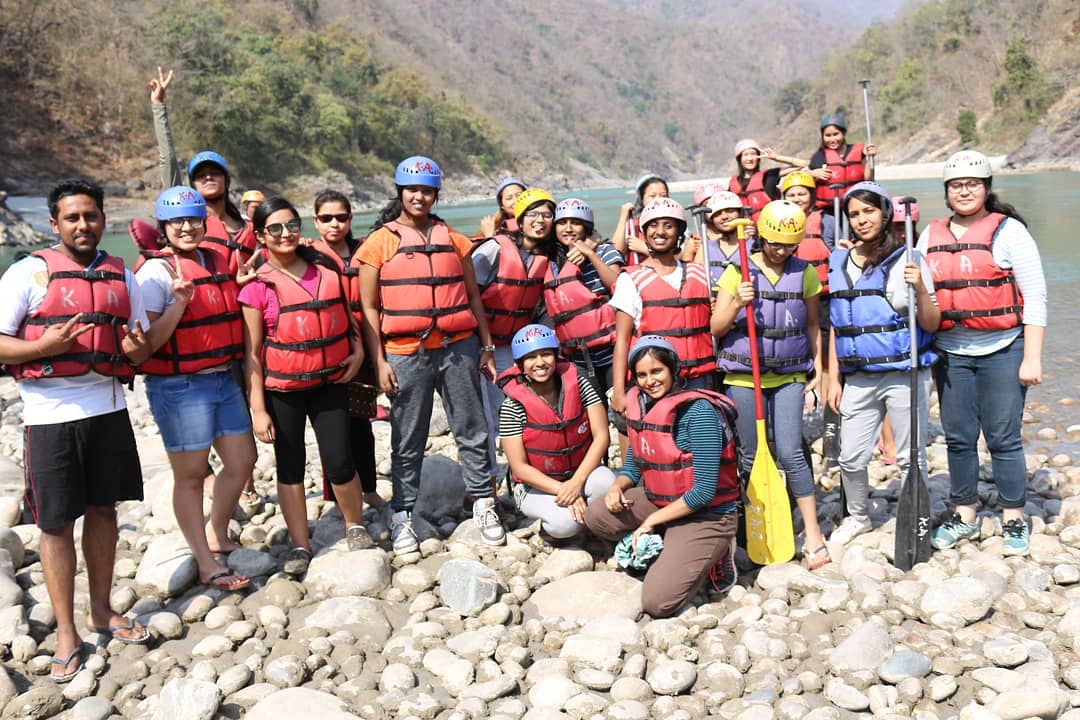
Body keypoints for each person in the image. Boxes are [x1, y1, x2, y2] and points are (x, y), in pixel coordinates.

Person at [0, 179, 153, 682]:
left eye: (90, 216)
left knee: (104, 511)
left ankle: (103, 609)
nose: (83, 225)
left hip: (107, 409)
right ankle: (67, 630)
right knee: (55, 525)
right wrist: (44, 348)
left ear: (103, 219)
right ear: (54, 224)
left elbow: (138, 347)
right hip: (49, 418)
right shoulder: (28, 273)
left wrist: (133, 347)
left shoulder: (120, 276)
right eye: (72, 218)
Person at [355, 156, 504, 553]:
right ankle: (403, 513)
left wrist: (486, 346)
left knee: (472, 428)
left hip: (458, 348)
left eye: (426, 190)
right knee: (407, 436)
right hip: (406, 353)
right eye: (412, 190)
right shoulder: (379, 242)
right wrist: (380, 360)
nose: (419, 197)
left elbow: (472, 296)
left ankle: (484, 502)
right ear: (400, 192)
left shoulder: (453, 240)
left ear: (436, 194)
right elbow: (369, 307)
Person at [918, 151, 1046, 556]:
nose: (965, 191)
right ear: (947, 192)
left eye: (973, 184)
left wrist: (1033, 357)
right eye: (957, 185)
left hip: (1004, 349)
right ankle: (965, 513)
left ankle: (1013, 518)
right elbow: (921, 295)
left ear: (987, 188)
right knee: (958, 437)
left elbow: (1036, 297)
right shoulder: (929, 235)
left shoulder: (1010, 232)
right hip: (951, 352)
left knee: (1003, 438)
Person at [239, 197, 371, 576]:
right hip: (284, 392)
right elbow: (252, 353)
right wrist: (258, 408)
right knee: (290, 466)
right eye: (275, 229)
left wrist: (359, 351)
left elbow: (347, 319)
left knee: (340, 459)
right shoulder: (256, 286)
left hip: (329, 382)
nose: (285, 234)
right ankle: (301, 544)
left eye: (291, 225)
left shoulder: (326, 270)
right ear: (262, 236)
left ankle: (354, 525)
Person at [136, 187, 256, 592]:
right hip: (179, 386)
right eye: (176, 222)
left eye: (193, 220)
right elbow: (147, 343)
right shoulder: (155, 273)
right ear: (164, 227)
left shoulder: (217, 260)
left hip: (223, 376)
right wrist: (179, 304)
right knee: (189, 476)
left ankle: (218, 532)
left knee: (242, 461)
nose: (186, 228)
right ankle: (205, 561)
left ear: (205, 223)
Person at [585, 336, 740, 617]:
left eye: (657, 371)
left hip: (708, 513)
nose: (649, 381)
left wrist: (651, 521)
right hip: (661, 500)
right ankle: (674, 540)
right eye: (642, 374)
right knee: (596, 515)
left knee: (657, 602)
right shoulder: (642, 406)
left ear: (672, 370)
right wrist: (617, 487)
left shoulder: (699, 412)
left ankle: (719, 549)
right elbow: (633, 466)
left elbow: (704, 491)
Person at [711, 200, 829, 568]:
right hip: (744, 377)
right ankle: (752, 526)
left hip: (789, 375)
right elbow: (716, 327)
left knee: (792, 452)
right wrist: (736, 304)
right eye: (774, 243)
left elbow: (813, 325)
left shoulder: (805, 274)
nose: (780, 251)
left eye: (788, 245)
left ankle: (812, 533)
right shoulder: (737, 271)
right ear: (761, 236)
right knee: (749, 454)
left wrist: (820, 370)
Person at [824, 182, 940, 545]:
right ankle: (858, 517)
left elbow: (932, 323)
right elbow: (836, 323)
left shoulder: (911, 258)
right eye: (854, 214)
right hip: (858, 376)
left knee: (909, 456)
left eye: (869, 211)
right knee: (850, 458)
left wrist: (919, 286)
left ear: (886, 213)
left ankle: (916, 514)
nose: (861, 220)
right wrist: (832, 376)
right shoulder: (838, 259)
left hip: (905, 373)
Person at [306, 190, 385, 515]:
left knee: (361, 425)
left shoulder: (364, 252)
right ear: (315, 222)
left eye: (341, 217)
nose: (334, 224)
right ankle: (336, 495)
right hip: (326, 351)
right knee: (332, 426)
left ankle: (368, 489)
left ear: (351, 219)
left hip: (364, 351)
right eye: (326, 218)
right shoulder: (306, 256)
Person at [499, 325, 615, 543]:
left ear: (555, 355)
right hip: (536, 487)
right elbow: (519, 468)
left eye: (545, 354)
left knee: (607, 483)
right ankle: (552, 532)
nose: (540, 363)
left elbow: (602, 437)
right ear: (520, 364)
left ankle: (589, 518)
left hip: (580, 473)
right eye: (530, 357)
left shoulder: (579, 384)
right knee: (565, 525)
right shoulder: (512, 406)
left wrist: (575, 483)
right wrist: (564, 490)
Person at [473, 187, 554, 474]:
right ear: (518, 221)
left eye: (547, 215)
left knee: (511, 407)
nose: (541, 220)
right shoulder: (494, 248)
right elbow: (469, 293)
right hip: (479, 344)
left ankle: (522, 470)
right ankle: (488, 480)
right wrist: (484, 346)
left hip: (512, 345)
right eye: (533, 214)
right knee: (483, 413)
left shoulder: (546, 256)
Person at [610, 198, 714, 420]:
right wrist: (619, 391)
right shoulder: (631, 280)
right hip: (654, 383)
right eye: (653, 226)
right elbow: (622, 340)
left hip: (699, 378)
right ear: (645, 233)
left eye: (668, 226)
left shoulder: (699, 273)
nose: (660, 232)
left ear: (679, 232)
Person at [148, 67, 255, 274]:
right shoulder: (186, 219)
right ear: (192, 183)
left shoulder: (246, 225)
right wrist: (158, 106)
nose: (207, 177)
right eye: (200, 175)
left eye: (215, 172)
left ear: (226, 179)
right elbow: (168, 159)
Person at [543, 198, 623, 401]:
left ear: (586, 226)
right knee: (592, 412)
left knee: (621, 413)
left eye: (576, 223)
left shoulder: (605, 250)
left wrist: (590, 253)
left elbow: (617, 284)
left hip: (612, 351)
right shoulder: (553, 262)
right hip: (578, 356)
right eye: (562, 223)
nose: (568, 228)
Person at [809, 113, 877, 214]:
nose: (832, 139)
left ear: (843, 133)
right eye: (828, 136)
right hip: (828, 211)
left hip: (855, 208)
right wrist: (812, 174)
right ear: (822, 136)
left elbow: (869, 179)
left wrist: (870, 158)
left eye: (836, 134)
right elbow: (806, 182)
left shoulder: (859, 152)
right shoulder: (818, 157)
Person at [727, 139, 807, 222]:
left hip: (770, 228)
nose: (750, 158)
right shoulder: (732, 184)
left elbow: (803, 164)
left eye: (753, 154)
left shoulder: (769, 176)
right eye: (746, 155)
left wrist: (776, 158)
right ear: (739, 159)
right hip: (744, 231)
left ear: (759, 158)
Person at [692, 190, 746, 289]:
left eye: (730, 211)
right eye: (718, 214)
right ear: (712, 220)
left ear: (740, 213)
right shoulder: (705, 249)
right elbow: (696, 283)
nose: (724, 217)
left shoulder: (755, 246)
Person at [612, 173, 669, 261]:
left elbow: (679, 257)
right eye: (652, 196)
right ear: (641, 199)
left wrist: (645, 249)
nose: (658, 200)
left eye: (663, 196)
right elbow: (615, 254)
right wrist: (623, 217)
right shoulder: (631, 225)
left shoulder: (675, 223)